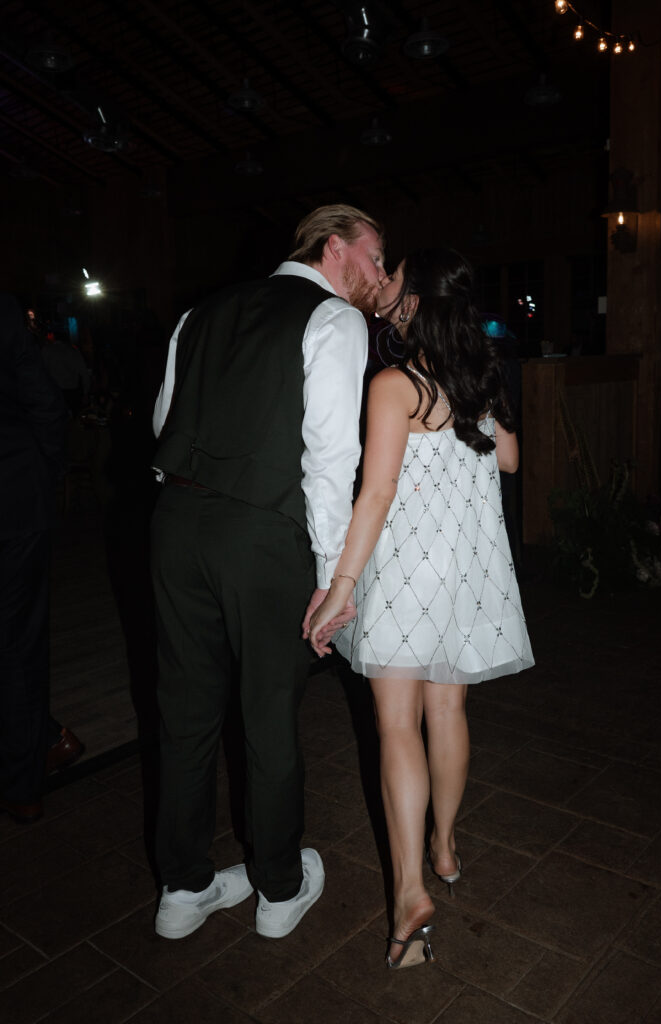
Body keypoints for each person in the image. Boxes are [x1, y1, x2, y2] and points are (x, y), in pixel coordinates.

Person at [150, 204, 386, 940]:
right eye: (376, 257)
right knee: (267, 712)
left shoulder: (200, 313)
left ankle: (182, 890)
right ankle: (278, 890)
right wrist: (331, 576)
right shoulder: (337, 320)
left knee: (184, 716)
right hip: (262, 538)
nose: (380, 273)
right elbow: (327, 464)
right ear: (336, 246)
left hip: (175, 527)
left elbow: (166, 421)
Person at [307, 249, 534, 969]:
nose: (386, 292)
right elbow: (510, 461)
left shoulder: (393, 386)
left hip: (407, 574)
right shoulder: (477, 378)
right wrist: (479, 400)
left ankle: (408, 893)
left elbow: (372, 497)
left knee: (395, 724)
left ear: (415, 308)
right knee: (448, 714)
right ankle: (443, 847)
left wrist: (340, 586)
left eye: (396, 286)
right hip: (466, 572)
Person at [0, 294, 84, 825]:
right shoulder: (5, 314)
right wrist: (43, 478)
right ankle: (34, 761)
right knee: (16, 644)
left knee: (13, 646)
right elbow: (46, 407)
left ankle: (33, 762)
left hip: (14, 504)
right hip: (14, 502)